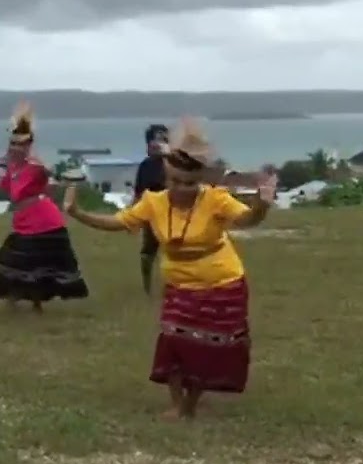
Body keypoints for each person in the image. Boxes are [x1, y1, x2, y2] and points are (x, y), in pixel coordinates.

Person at [62, 118, 276, 421]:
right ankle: (178, 404)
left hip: (221, 284)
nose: (181, 188)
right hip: (178, 285)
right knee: (173, 342)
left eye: (189, 183)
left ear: (200, 180)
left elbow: (247, 221)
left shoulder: (215, 199)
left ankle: (192, 401)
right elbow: (120, 222)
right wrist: (78, 212)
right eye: (174, 181)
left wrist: (261, 206)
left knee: (208, 348)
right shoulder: (154, 202)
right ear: (166, 177)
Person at [0, 102, 89, 311]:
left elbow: (48, 172)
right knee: (14, 263)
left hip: (44, 221)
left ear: (28, 147)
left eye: (20, 145)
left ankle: (30, 303)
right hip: (24, 219)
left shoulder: (35, 166)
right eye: (13, 144)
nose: (16, 149)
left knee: (37, 265)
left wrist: (66, 176)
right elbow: (6, 185)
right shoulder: (13, 168)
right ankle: (18, 301)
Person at [134, 124, 170, 295]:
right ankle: (147, 287)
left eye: (164, 139)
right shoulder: (145, 166)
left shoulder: (176, 165)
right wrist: (135, 218)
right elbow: (139, 193)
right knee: (148, 252)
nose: (161, 143)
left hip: (174, 213)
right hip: (152, 215)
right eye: (157, 139)